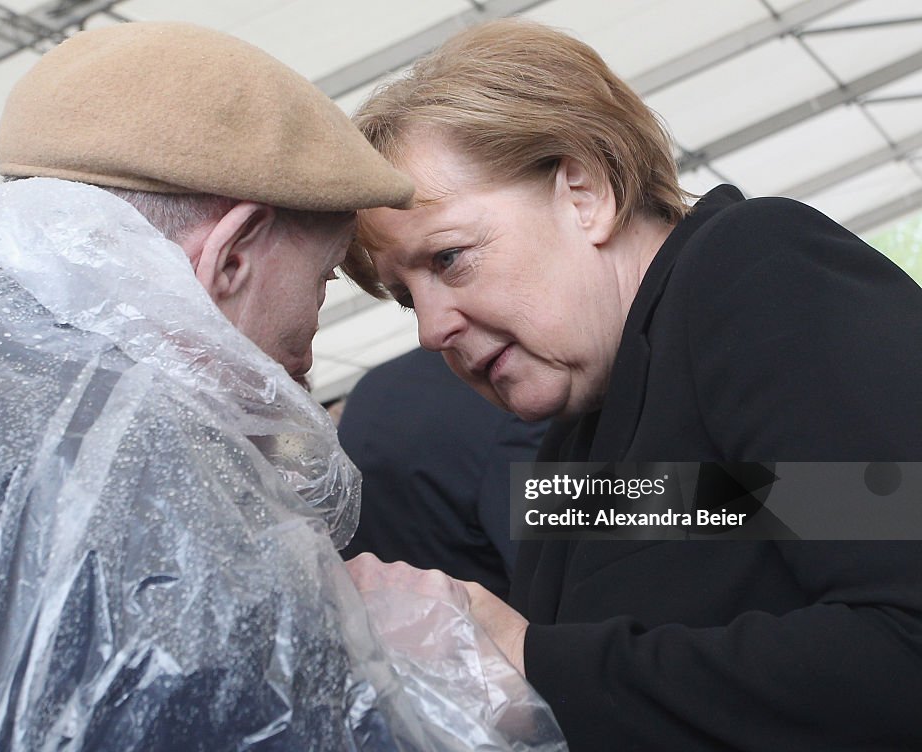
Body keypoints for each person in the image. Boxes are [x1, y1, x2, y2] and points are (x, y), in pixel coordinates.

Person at [0, 22, 566, 752]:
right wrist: (480, 671)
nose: (431, 327)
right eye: (326, 279)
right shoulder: (153, 475)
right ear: (233, 259)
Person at [343, 18, 922, 752]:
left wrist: (529, 660)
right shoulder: (569, 452)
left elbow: (905, 638)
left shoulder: (753, 274)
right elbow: (778, 517)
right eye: (405, 296)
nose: (430, 329)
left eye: (450, 258)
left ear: (584, 191)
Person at [339, 348, 547, 599]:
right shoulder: (515, 400)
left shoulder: (373, 385)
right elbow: (562, 568)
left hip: (392, 620)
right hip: (495, 624)